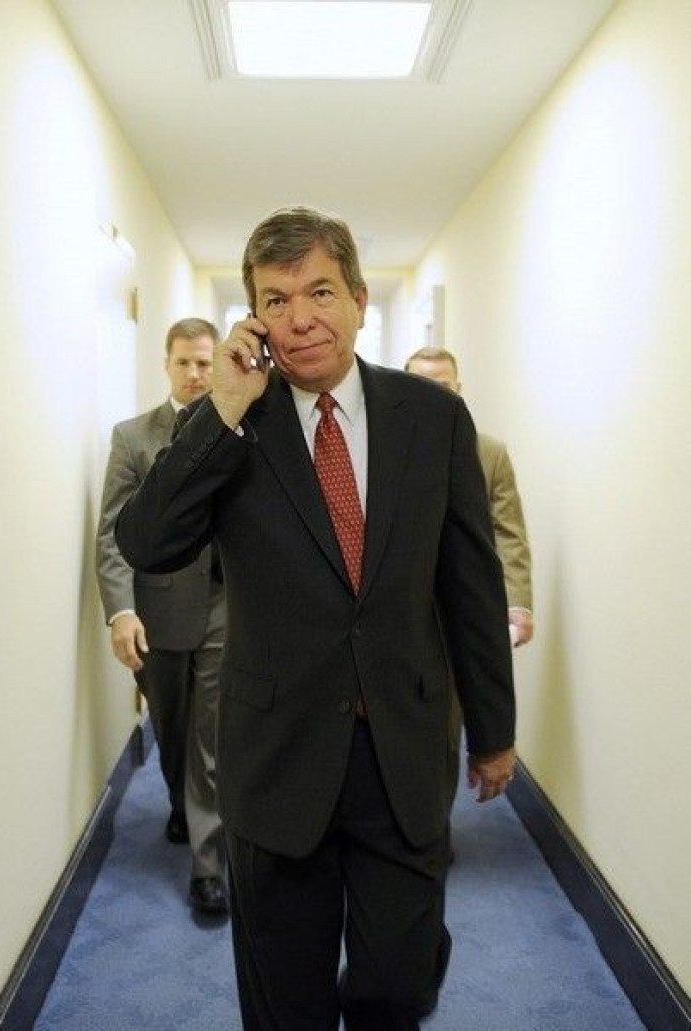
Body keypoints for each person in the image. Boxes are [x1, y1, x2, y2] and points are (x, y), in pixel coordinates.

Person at [116, 207, 516, 1029]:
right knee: (283, 1001)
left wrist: (494, 727)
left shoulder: (432, 419)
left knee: (399, 987)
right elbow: (149, 541)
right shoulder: (236, 422)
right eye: (275, 298)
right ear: (254, 316)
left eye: (321, 291)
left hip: (401, 750)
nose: (300, 317)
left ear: (361, 300)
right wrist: (220, 408)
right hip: (277, 757)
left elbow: (470, 581)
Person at [95, 317, 228, 917]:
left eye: (206, 362)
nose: (197, 373)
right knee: (172, 728)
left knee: (212, 736)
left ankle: (209, 865)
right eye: (186, 362)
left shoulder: (238, 425)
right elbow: (112, 535)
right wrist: (120, 611)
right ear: (168, 364)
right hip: (159, 610)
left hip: (227, 607)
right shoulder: (133, 438)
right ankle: (180, 800)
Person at [405, 345, 533, 811]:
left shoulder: (488, 452)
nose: (432, 396)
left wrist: (516, 604)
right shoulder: (379, 445)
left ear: (458, 391)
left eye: (442, 387)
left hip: (458, 615)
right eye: (420, 385)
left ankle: (432, 828)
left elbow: (509, 533)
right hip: (400, 613)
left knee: (446, 726)